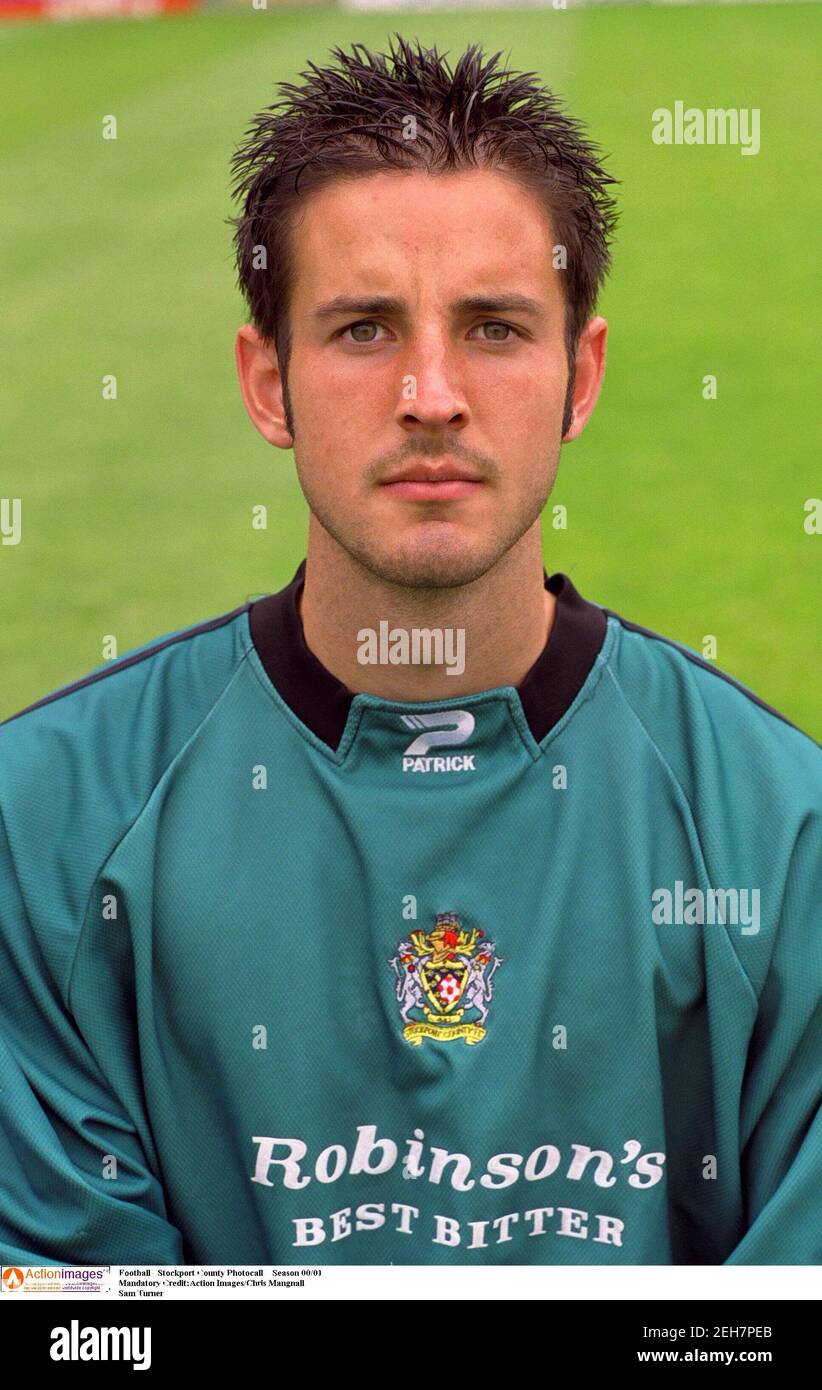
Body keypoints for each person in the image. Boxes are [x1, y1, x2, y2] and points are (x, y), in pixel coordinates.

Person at [0, 37, 819, 1267]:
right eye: (365, 329)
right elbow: (89, 1328)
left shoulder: (781, 832)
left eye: (493, 329)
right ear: (267, 381)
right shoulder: (47, 823)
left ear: (577, 378)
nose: (431, 393)